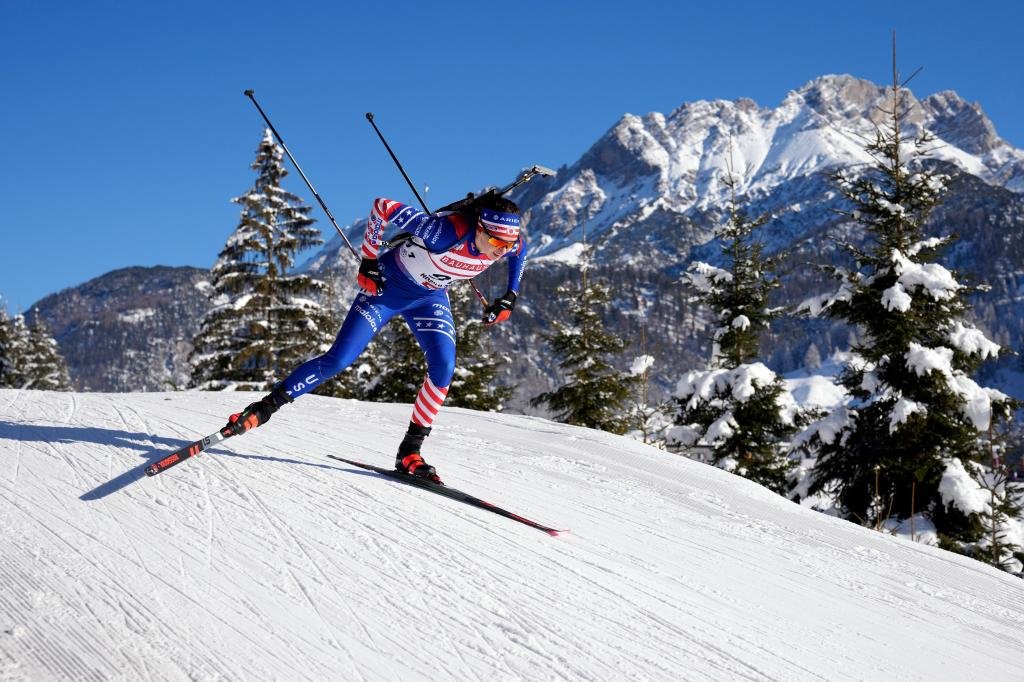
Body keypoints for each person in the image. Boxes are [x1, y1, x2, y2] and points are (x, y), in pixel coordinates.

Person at [223, 194, 527, 484]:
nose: (502, 250)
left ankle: (410, 452)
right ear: (479, 228)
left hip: (429, 299)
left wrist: (510, 296)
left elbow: (520, 252)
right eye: (496, 242)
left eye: (507, 243)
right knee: (339, 360)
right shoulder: (443, 233)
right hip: (386, 291)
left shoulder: (506, 242)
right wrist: (368, 261)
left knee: (444, 367)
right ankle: (263, 408)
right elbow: (383, 206)